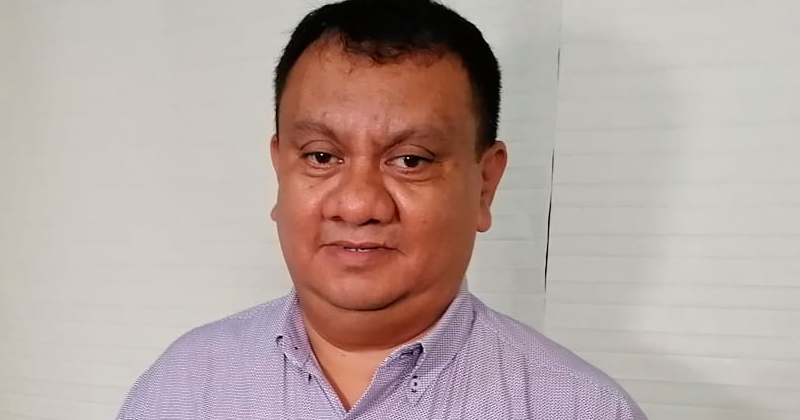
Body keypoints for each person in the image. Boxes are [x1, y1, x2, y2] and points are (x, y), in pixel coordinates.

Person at [117, 0, 648, 418]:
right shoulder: (183, 387)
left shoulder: (580, 408)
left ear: (485, 185)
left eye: (410, 160)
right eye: (321, 156)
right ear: (280, 169)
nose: (357, 204)